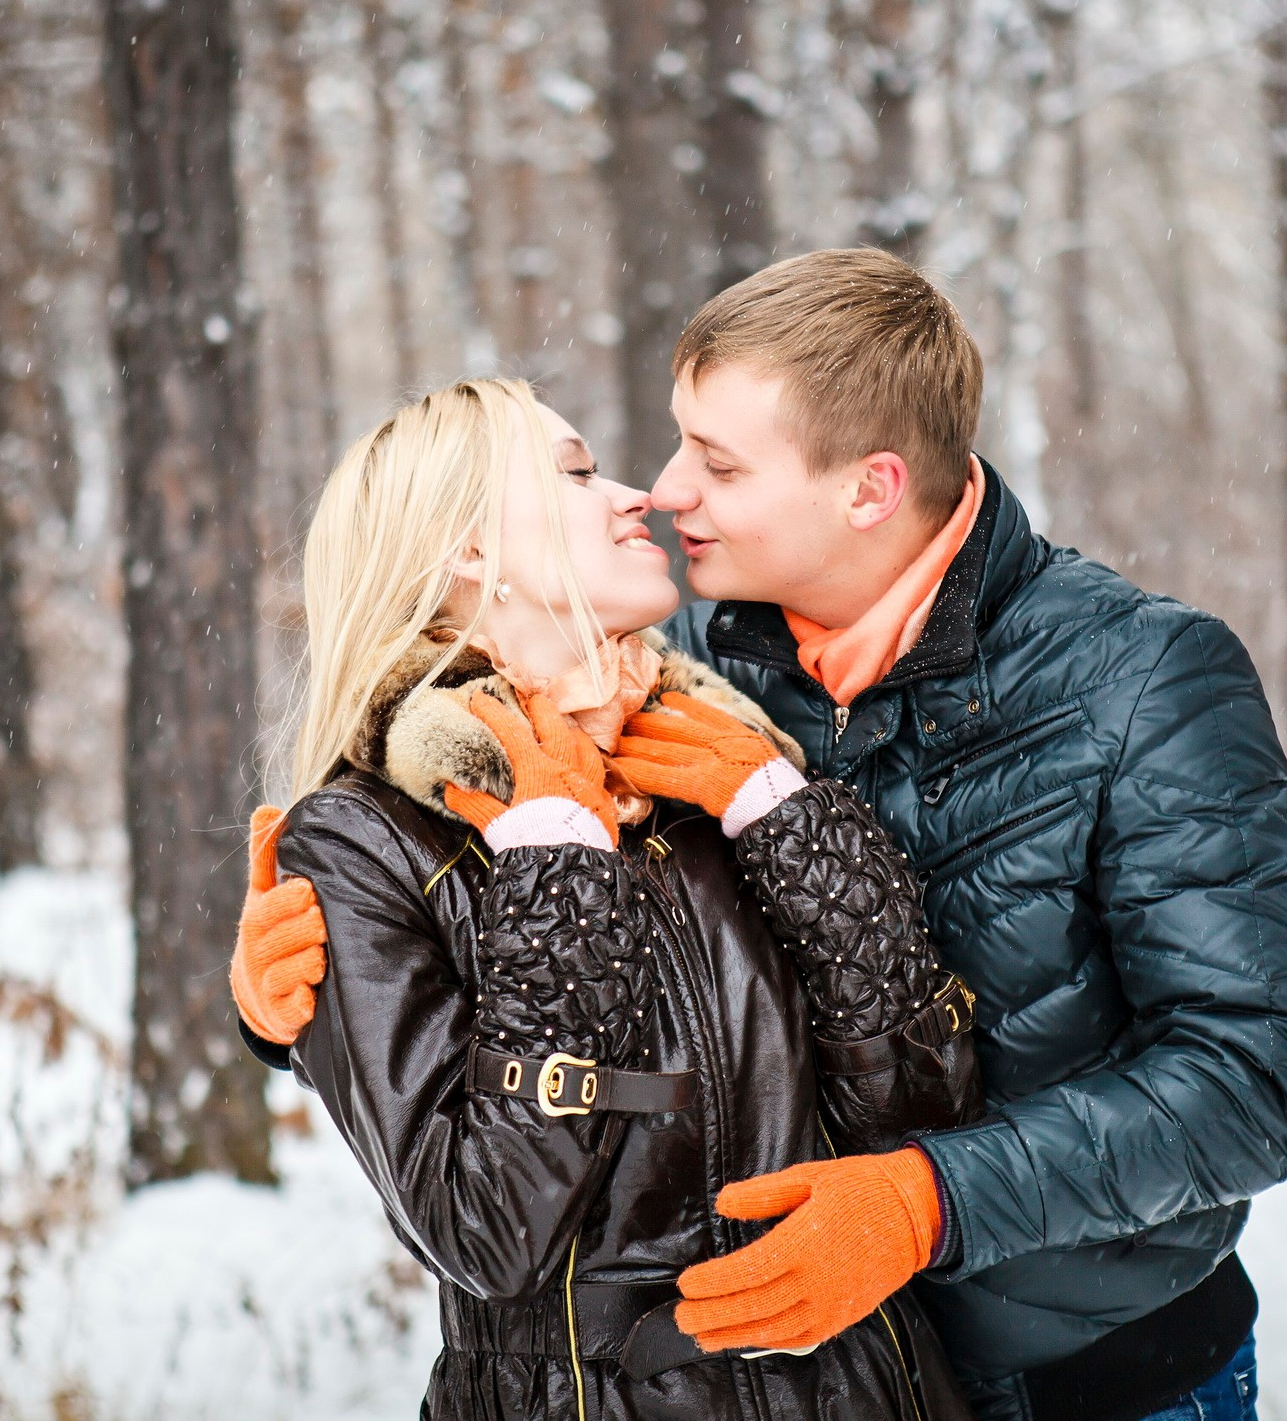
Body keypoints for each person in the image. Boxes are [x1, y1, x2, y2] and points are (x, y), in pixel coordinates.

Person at [237, 251, 1287, 1421]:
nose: (661, 492)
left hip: (1095, 1374)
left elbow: (1248, 1082)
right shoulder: (682, 661)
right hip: (851, 1379)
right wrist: (296, 1004)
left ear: (867, 488)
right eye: (670, 443)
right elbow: (515, 979)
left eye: (716, 462)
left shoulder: (1145, 681)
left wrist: (923, 1202)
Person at [234, 377, 985, 1421]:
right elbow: (491, 1231)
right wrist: (557, 863)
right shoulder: (368, 842)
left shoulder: (720, 759)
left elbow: (926, 1111)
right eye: (578, 471)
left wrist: (792, 827)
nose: (637, 495)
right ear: (466, 548)